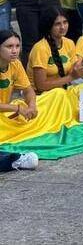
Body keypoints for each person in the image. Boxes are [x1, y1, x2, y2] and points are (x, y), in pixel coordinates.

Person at [0, 29, 40, 172]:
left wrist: (32, 106)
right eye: (9, 46)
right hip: (5, 114)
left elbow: (28, 90)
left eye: (17, 46)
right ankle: (15, 159)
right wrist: (18, 109)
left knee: (54, 98)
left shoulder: (15, 64)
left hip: (6, 113)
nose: (14, 51)